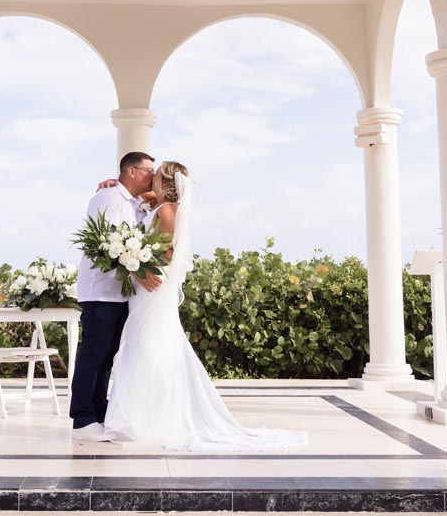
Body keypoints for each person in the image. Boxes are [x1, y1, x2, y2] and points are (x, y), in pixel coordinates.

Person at [102, 161, 308, 452]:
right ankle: (143, 415)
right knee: (147, 344)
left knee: (148, 346)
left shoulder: (165, 211)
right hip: (146, 288)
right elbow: (148, 203)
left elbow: (169, 252)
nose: (151, 179)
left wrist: (137, 266)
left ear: (165, 184)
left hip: (151, 286)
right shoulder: (162, 205)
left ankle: (147, 418)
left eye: (156, 175)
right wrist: (114, 184)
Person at [69, 151, 162, 441]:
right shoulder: (108, 199)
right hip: (101, 290)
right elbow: (111, 243)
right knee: (94, 352)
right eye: (149, 170)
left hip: (120, 293)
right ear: (131, 171)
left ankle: (98, 412)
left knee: (108, 355)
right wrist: (139, 273)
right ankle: (82, 418)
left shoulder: (136, 204)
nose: (153, 176)